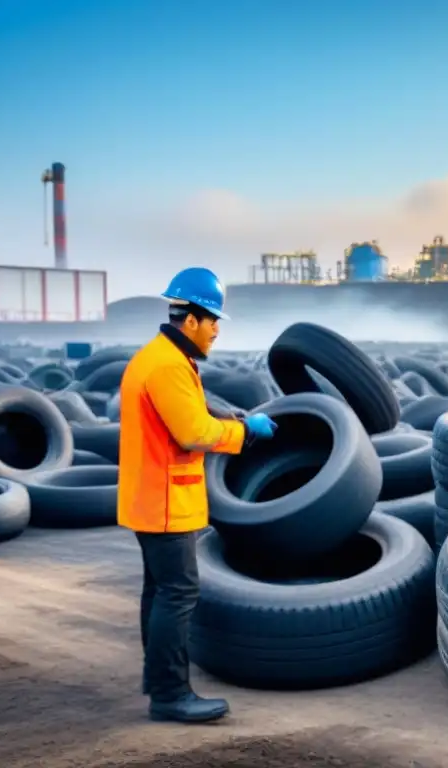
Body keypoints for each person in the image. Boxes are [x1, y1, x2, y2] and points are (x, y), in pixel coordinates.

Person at [117, 267, 278, 724]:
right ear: (192, 320)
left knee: (159, 591)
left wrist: (221, 409)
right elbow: (192, 433)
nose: (217, 333)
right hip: (166, 501)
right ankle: (170, 695)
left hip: (147, 496)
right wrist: (245, 430)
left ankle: (159, 682)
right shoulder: (168, 365)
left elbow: (184, 408)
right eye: (214, 323)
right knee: (178, 592)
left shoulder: (157, 356)